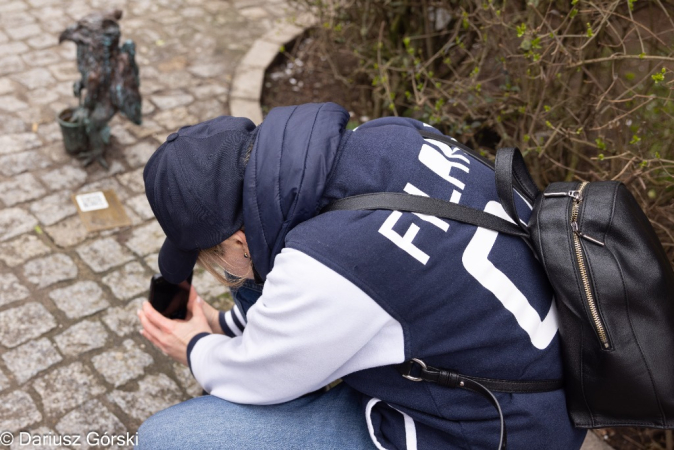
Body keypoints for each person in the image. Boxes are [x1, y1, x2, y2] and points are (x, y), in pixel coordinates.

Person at [137, 102, 586, 449]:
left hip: (492, 433)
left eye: (210, 262)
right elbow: (353, 300)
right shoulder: (392, 133)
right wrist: (221, 324)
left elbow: (257, 378)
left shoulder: (328, 260)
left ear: (237, 241)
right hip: (544, 382)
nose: (215, 274)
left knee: (167, 439)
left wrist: (194, 346)